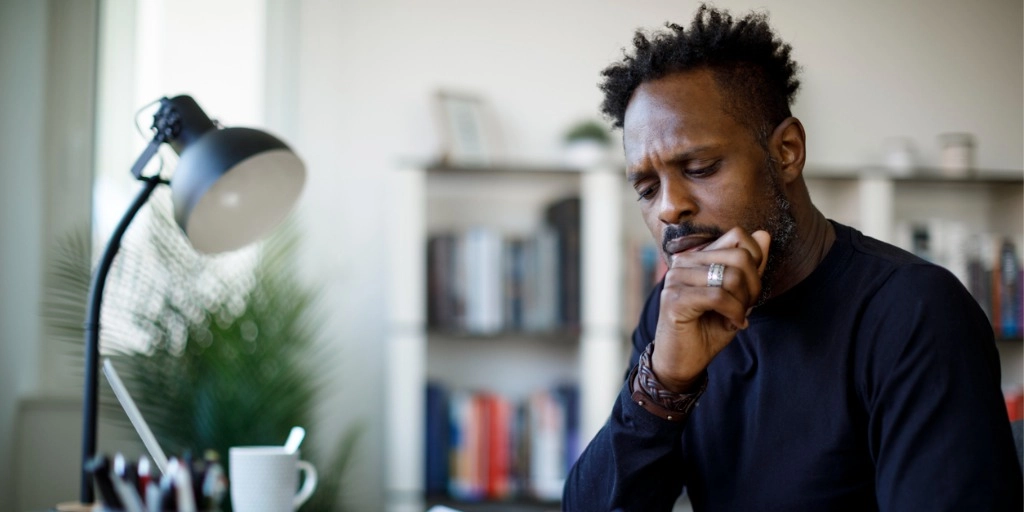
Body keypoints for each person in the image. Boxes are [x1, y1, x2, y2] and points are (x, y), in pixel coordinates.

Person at [563, 5, 1023, 511]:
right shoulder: (672, 312)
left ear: (786, 151)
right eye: (647, 189)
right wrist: (664, 383)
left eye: (699, 167)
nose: (670, 207)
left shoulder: (914, 312)